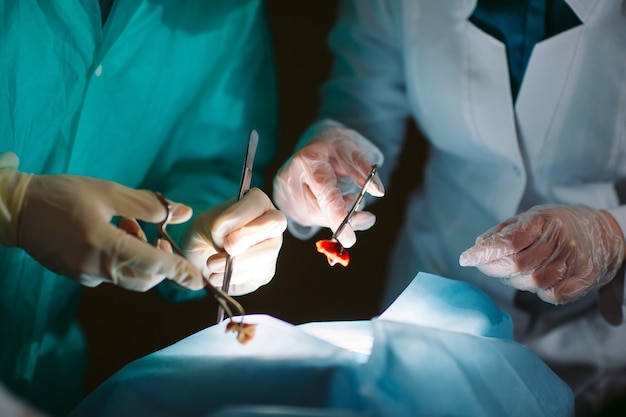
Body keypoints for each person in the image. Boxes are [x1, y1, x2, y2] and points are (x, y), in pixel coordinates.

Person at [273, 0, 626, 415]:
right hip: (435, 295)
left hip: (598, 337)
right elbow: (361, 107)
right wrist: (328, 166)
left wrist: (612, 234)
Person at [0, 0, 286, 416]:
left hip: (45, 372)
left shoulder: (226, 11)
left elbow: (208, 162)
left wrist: (203, 228)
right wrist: (13, 204)